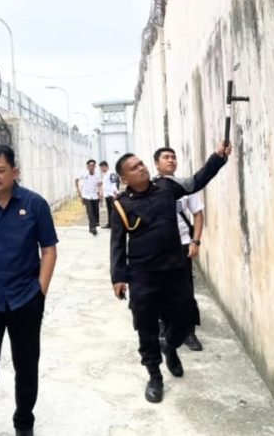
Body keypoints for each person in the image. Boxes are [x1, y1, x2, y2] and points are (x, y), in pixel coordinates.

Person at [110, 141, 231, 404]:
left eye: (141, 164)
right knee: (146, 327)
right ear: (124, 178)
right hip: (143, 275)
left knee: (186, 318)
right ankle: (154, 376)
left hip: (174, 269)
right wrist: (118, 277)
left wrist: (218, 158)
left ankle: (171, 346)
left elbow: (196, 182)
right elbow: (117, 242)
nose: (141, 168)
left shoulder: (166, 187)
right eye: (134, 168)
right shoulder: (121, 205)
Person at [0, 144, 58, 436]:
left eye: (0, 170)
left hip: (25, 299)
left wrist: (40, 292)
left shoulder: (35, 204)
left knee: (26, 366)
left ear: (15, 171)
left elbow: (48, 250)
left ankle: (24, 422)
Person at [154, 147, 205, 351]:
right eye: (166, 157)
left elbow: (198, 215)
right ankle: (163, 327)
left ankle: (188, 332)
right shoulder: (150, 187)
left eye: (173, 157)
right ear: (156, 163)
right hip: (159, 248)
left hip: (183, 245)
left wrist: (195, 241)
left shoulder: (186, 186)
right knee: (160, 288)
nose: (171, 160)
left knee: (185, 289)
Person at [75, 158, 102, 235]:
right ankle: (93, 228)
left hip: (95, 196)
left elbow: (99, 184)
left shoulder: (97, 175)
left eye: (93, 165)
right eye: (90, 165)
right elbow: (76, 180)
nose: (91, 167)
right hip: (86, 196)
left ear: (95, 166)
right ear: (87, 167)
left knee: (95, 212)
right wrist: (79, 194)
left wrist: (100, 194)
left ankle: (93, 226)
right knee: (90, 211)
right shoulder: (83, 174)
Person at [99, 160, 120, 229]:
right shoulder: (105, 175)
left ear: (106, 167)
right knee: (109, 210)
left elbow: (113, 183)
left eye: (102, 168)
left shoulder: (111, 173)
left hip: (112, 195)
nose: (101, 169)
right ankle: (110, 224)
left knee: (114, 211)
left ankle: (115, 224)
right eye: (100, 168)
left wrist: (115, 193)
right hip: (107, 195)